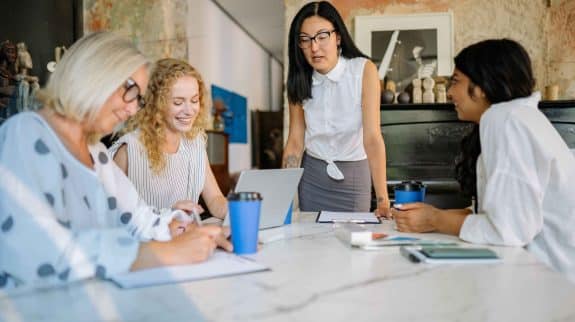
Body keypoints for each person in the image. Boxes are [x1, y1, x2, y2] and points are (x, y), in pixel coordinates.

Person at [0, 32, 232, 289]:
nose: (133, 109)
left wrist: (179, 227)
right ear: (96, 76)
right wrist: (162, 254)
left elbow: (139, 219)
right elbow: (34, 249)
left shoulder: (96, 152)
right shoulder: (25, 133)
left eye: (139, 98)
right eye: (131, 91)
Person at [391, 39, 575, 282]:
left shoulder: (505, 120)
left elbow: (508, 230)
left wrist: (434, 219)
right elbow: (499, 213)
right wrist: (431, 215)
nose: (449, 93)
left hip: (553, 280)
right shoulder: (517, 116)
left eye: (455, 81)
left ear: (483, 87)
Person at [283, 1, 390, 216]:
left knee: (352, 245)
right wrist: (282, 196)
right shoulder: (299, 80)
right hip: (312, 177)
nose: (314, 47)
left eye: (322, 37)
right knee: (312, 244)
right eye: (305, 40)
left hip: (353, 177)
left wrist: (383, 200)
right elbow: (295, 142)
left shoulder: (363, 70)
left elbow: (372, 138)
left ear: (338, 37)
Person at [110, 58, 228, 220]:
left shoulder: (195, 143)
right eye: (178, 102)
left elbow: (215, 199)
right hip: (148, 244)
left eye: (194, 100)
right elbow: (111, 217)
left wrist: (241, 212)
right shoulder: (128, 149)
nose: (189, 110)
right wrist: (166, 217)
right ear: (157, 104)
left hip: (187, 241)